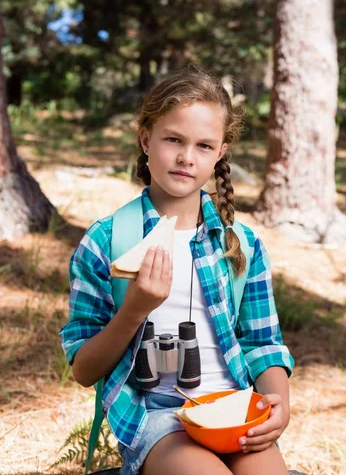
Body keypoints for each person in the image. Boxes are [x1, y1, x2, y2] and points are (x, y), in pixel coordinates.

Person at [60, 64, 294, 475]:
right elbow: (84, 369)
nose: (187, 157)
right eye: (173, 140)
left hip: (233, 409)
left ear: (221, 152)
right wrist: (134, 309)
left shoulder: (241, 244)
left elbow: (262, 343)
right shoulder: (106, 242)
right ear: (146, 138)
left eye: (204, 146)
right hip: (158, 419)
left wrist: (279, 402)